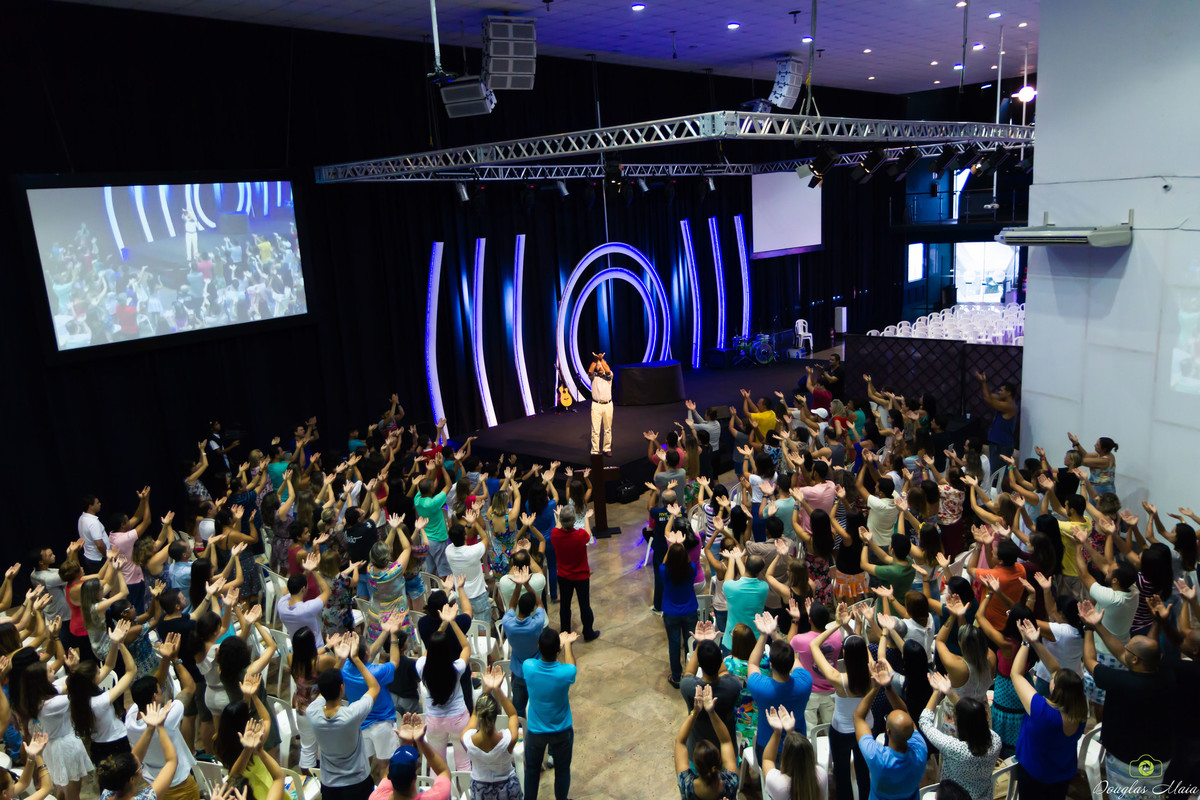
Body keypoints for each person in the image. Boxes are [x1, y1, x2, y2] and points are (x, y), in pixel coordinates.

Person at [1080, 597, 1176, 795]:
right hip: (1160, 758)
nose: (1123, 648)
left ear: (1134, 659)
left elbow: (1089, 661)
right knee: (1153, 795)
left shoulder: (1120, 681)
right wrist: (1098, 625)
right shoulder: (1167, 674)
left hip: (1126, 760)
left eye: (1128, 649)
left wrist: (1088, 628)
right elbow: (1144, 650)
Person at [1012, 619, 1086, 800]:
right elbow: (1056, 670)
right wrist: (1036, 642)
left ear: (1055, 689)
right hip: (1061, 774)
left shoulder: (1042, 711)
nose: (1053, 675)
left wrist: (1025, 642)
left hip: (1035, 774)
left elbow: (1016, 674)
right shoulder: (1080, 711)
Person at [306, 633, 382, 800]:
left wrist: (340, 660)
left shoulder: (312, 712)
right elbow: (374, 687)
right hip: (357, 783)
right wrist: (355, 658)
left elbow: (325, 690)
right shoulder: (351, 715)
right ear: (342, 688)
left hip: (329, 785)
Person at [126, 634, 201, 800]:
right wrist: (175, 659)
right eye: (159, 691)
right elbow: (189, 688)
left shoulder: (130, 718)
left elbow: (154, 684)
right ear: (154, 697)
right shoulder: (166, 717)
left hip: (153, 783)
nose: (161, 690)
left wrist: (165, 658)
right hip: (178, 783)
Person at [917, 673, 1001, 800]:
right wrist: (949, 692)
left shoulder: (954, 748)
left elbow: (924, 722)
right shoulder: (995, 740)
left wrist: (936, 692)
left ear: (960, 725)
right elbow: (972, 716)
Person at [343, 615, 406, 783]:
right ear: (365, 653)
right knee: (385, 766)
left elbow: (367, 655)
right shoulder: (376, 673)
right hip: (382, 724)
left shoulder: (346, 669)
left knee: (365, 765)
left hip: (360, 724)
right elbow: (394, 661)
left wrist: (385, 631)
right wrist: (393, 635)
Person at [853, 660, 928, 800]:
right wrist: (888, 687)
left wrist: (876, 687)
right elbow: (904, 713)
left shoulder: (876, 757)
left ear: (888, 731)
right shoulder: (921, 750)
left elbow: (858, 717)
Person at [746, 613, 813, 766]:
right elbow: (793, 659)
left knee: (773, 786)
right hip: (797, 744)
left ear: (771, 665)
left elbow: (753, 664)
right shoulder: (805, 681)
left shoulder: (761, 687)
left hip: (768, 746)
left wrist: (764, 635)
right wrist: (775, 634)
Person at [416, 604, 474, 771]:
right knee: (464, 763)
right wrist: (452, 622)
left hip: (434, 721)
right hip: (458, 718)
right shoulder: (456, 668)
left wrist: (443, 625)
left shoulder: (421, 666)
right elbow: (466, 647)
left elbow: (429, 650)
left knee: (438, 764)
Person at [524, 628, 578, 800]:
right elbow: (571, 665)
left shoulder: (528, 667)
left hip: (535, 732)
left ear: (539, 646)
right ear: (558, 650)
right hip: (561, 730)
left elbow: (535, 659)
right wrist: (568, 644)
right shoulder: (565, 673)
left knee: (532, 770)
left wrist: (557, 646)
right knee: (562, 770)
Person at [679, 624, 740, 759]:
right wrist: (711, 645)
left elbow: (688, 672)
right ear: (720, 660)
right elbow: (723, 671)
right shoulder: (733, 686)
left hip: (697, 755)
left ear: (699, 664)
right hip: (726, 755)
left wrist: (701, 644)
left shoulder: (689, 688)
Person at [460, 665, 522, 800]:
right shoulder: (508, 740)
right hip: (508, 789)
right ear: (496, 716)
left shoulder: (466, 740)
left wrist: (487, 688)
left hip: (480, 791)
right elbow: (512, 715)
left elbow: (475, 714)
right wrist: (498, 689)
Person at [98, 700, 179, 800]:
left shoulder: (107, 793)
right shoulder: (146, 798)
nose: (141, 769)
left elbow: (133, 760)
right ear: (131, 779)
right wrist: (160, 726)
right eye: (140, 768)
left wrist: (150, 728)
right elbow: (172, 761)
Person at [673, 685, 739, 800]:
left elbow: (680, 742)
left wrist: (695, 711)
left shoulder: (686, 785)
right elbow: (726, 741)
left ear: (696, 766)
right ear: (719, 762)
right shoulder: (730, 783)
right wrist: (711, 712)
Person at [368, 714, 452, 800]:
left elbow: (386, 776)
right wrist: (420, 741)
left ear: (390, 777)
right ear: (415, 776)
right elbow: (443, 771)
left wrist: (405, 743)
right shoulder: (436, 796)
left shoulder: (376, 797)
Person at [500, 566, 546, 718]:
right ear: (532, 609)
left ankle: (521, 730)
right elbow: (540, 604)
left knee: (518, 708)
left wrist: (518, 585)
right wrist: (527, 584)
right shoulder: (537, 623)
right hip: (537, 670)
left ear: (520, 603)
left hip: (518, 672)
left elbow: (511, 605)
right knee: (537, 704)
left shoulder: (507, 623)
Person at [550, 506, 599, 642]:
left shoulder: (555, 535)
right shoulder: (580, 535)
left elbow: (557, 527)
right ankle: (588, 632)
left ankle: (565, 632)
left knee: (565, 606)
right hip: (581, 576)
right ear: (573, 521)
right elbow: (588, 534)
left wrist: (559, 516)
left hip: (564, 576)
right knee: (585, 605)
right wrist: (586, 518)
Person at [762, 706, 828, 800]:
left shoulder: (778, 784)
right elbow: (808, 759)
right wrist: (790, 731)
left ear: (785, 758)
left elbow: (767, 759)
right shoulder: (821, 776)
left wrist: (777, 732)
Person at [277, 551, 333, 647]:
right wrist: (314, 570)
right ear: (303, 589)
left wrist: (307, 571)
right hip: (316, 651)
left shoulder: (281, 604)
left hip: (297, 651)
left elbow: (297, 585)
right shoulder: (308, 609)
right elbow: (327, 591)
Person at [974, 372, 1018, 461]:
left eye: (1001, 390)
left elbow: (988, 399)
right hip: (997, 444)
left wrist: (983, 382)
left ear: (1008, 393)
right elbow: (988, 396)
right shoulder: (1005, 402)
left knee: (999, 472)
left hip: (1002, 445)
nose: (998, 392)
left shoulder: (1010, 406)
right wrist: (983, 382)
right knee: (996, 471)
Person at [588, 352, 614, 457]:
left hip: (608, 404)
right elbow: (590, 370)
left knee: (607, 429)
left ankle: (606, 448)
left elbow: (607, 370)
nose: (600, 367)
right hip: (596, 405)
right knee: (595, 429)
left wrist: (601, 359)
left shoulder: (609, 376)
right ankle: (595, 451)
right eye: (598, 365)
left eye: (601, 365)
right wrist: (595, 360)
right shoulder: (593, 376)